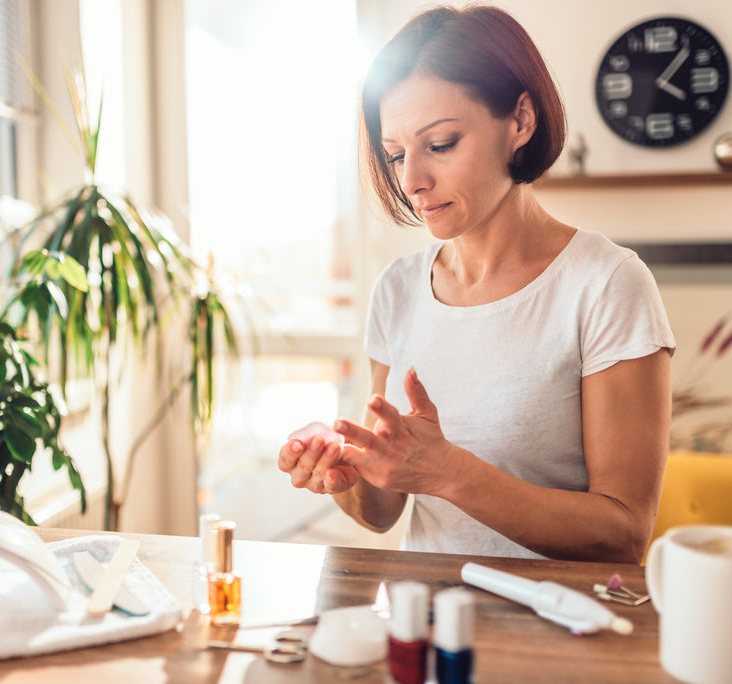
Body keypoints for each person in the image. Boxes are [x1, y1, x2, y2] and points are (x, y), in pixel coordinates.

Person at [277, 4, 675, 563]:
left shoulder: (606, 285)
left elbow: (625, 532)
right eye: (395, 155)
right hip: (424, 627)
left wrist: (450, 472)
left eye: (439, 144)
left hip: (560, 636)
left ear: (520, 121)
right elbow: (384, 510)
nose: (413, 180)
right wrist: (343, 473)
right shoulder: (398, 290)